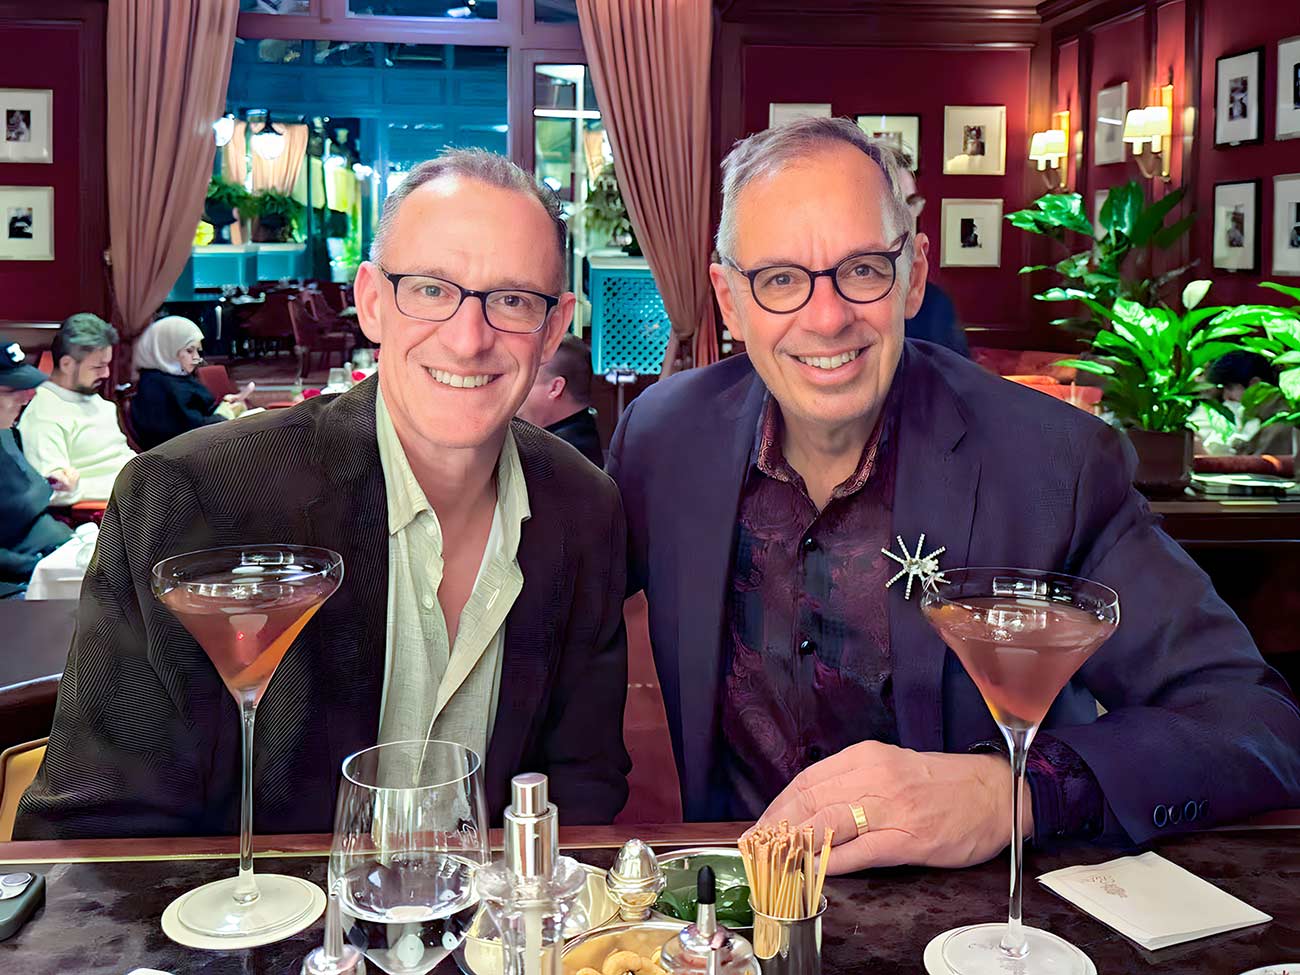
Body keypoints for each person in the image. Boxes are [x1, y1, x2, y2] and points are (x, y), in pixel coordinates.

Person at [607, 117, 1300, 874]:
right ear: (729, 301)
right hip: (739, 903)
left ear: (912, 276)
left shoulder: (1052, 464)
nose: (827, 317)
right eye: (779, 280)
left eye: (863, 269)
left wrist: (1010, 793)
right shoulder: (661, 440)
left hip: (976, 911)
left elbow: (1254, 720)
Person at [17, 149, 631, 839]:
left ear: (554, 328)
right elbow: (94, 833)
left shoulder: (585, 509)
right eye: (430, 289)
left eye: (512, 300)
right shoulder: (194, 497)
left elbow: (584, 786)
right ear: (372, 302)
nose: (468, 340)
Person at [16, 313, 135, 504]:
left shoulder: (93, 399)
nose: (106, 373)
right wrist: (130, 487)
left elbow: (121, 455)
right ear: (67, 364)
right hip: (109, 510)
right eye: (98, 367)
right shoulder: (44, 414)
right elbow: (51, 491)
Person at [0, 343, 72, 599]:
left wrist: (46, 483)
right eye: (12, 390)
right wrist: (43, 565)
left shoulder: (6, 432)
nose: (26, 398)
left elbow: (13, 495)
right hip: (20, 581)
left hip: (54, 552)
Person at [130, 315, 252, 450]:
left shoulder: (175, 377)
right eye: (189, 351)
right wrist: (224, 414)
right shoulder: (157, 386)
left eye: (197, 351)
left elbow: (198, 414)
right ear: (167, 349)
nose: (197, 358)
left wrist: (225, 404)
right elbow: (191, 434)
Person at [896, 163, 969, 357]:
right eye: (893, 203)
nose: (907, 214)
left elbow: (955, 371)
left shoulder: (934, 303)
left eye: (911, 202)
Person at [517, 333, 604, 466]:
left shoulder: (560, 459)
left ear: (555, 388)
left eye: (526, 380)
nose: (514, 390)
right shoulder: (573, 442)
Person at [1190, 351, 1294, 457]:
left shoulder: (1282, 421)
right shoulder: (1262, 415)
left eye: (1230, 388)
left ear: (1254, 384)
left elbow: (1258, 464)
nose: (1226, 396)